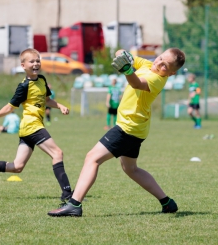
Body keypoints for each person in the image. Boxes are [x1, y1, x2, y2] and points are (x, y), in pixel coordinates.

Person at [48, 47, 185, 217]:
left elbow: (136, 83)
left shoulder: (157, 79)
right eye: (160, 58)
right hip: (137, 128)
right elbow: (121, 53)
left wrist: (127, 69)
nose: (159, 64)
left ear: (171, 74)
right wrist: (123, 55)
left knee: (92, 158)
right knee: (131, 169)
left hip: (128, 128)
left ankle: (74, 204)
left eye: (165, 66)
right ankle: (167, 203)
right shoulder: (147, 64)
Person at [0, 48, 73, 201]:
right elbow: (10, 107)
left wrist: (59, 106)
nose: (35, 64)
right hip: (31, 126)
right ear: (23, 66)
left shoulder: (42, 80)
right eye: (31, 61)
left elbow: (46, 100)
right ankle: (68, 194)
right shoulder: (23, 86)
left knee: (17, 167)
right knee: (57, 153)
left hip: (31, 128)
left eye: (37, 60)